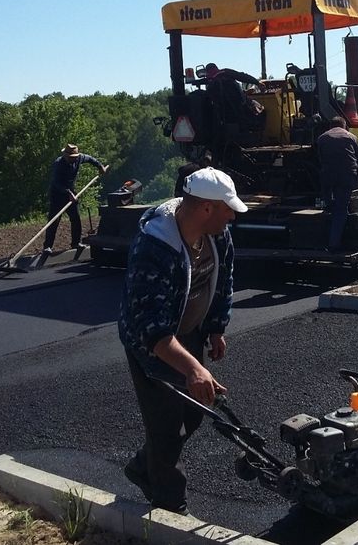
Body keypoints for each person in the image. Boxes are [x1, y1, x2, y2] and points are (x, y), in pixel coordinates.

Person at [118, 167, 247, 516]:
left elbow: (223, 279)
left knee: (195, 410)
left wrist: (217, 327)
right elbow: (151, 328)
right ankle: (169, 505)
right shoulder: (155, 247)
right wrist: (192, 368)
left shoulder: (217, 235)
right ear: (206, 208)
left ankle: (144, 465)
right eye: (227, 208)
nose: (232, 216)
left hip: (187, 332)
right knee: (165, 425)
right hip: (152, 344)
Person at [317, 116, 358, 251]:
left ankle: (322, 236)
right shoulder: (351, 137)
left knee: (329, 206)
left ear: (330, 126)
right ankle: (334, 244)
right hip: (346, 177)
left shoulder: (321, 138)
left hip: (327, 176)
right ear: (344, 126)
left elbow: (320, 160)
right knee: (341, 209)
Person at [43, 144, 109, 254]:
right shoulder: (58, 164)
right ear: (65, 155)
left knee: (75, 219)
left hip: (70, 192)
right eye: (70, 158)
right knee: (54, 220)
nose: (73, 160)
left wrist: (100, 166)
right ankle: (47, 247)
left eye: (74, 157)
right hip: (57, 194)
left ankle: (75, 243)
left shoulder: (79, 158)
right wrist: (68, 193)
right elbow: (56, 183)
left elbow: (90, 159)